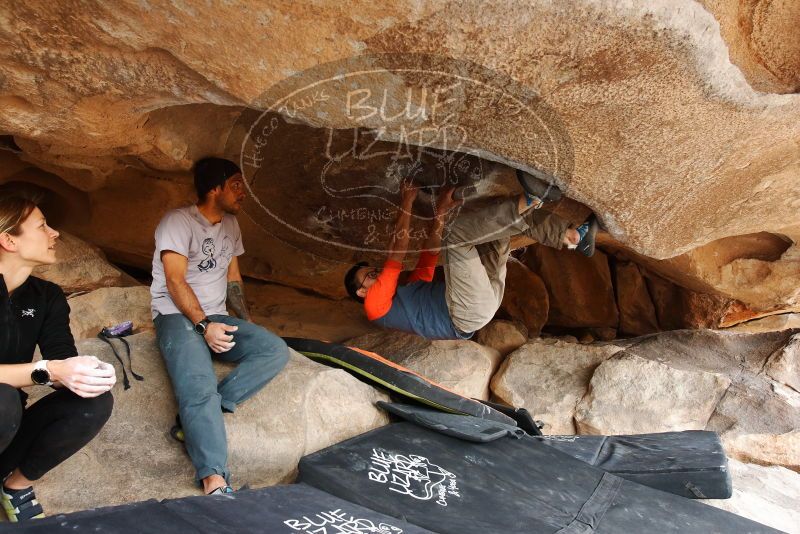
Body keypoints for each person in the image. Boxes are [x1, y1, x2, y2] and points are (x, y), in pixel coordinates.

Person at [150, 157, 289, 495]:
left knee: (274, 350)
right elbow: (174, 280)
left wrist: (248, 324)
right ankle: (214, 478)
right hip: (176, 317)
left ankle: (205, 413)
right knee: (197, 386)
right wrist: (203, 327)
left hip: (217, 315)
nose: (244, 193)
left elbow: (233, 279)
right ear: (215, 189)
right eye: (236, 185)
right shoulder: (177, 222)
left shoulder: (230, 225)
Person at [344, 169, 598, 340]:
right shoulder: (374, 307)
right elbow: (397, 253)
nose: (376, 273)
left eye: (373, 269)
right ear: (362, 292)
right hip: (466, 314)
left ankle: (573, 236)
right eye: (368, 276)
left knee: (498, 233)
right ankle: (530, 198)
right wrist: (407, 201)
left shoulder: (410, 291)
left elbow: (431, 251)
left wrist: (440, 210)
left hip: (483, 299)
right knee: (455, 237)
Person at [0, 195, 115, 522]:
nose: (55, 234)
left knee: (93, 401)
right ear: (9, 240)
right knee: (3, 399)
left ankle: (15, 485)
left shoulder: (46, 296)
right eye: (42, 226)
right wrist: (46, 370)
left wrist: (88, 373)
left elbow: (62, 360)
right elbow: (49, 369)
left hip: (6, 429)